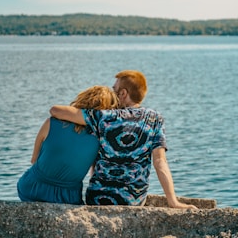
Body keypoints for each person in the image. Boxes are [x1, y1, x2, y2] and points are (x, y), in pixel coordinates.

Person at [50, 70, 197, 209]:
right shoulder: (154, 119)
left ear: (123, 93)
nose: (112, 94)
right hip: (132, 200)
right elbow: (160, 162)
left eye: (114, 90)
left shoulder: (104, 116)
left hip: (97, 198)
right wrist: (173, 201)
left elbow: (55, 110)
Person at [17, 85, 119, 205]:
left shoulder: (51, 122)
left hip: (31, 189)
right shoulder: (101, 138)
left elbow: (34, 159)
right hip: (68, 197)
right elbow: (94, 174)